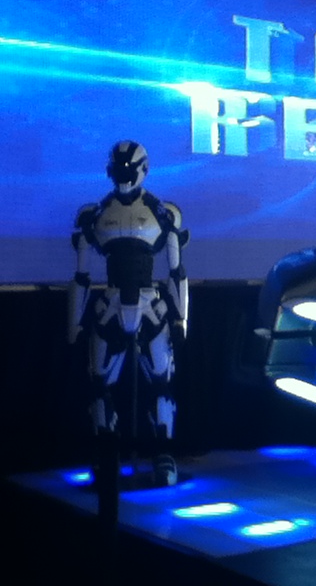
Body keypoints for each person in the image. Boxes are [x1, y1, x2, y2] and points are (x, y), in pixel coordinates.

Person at [68, 141, 188, 486]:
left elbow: (177, 272)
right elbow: (81, 276)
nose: (122, 175)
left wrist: (181, 318)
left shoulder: (163, 213)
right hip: (112, 304)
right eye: (117, 169)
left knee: (161, 382)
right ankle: (106, 453)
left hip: (150, 306)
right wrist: (73, 323)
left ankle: (162, 453)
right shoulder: (95, 214)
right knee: (100, 384)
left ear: (142, 169)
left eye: (127, 169)